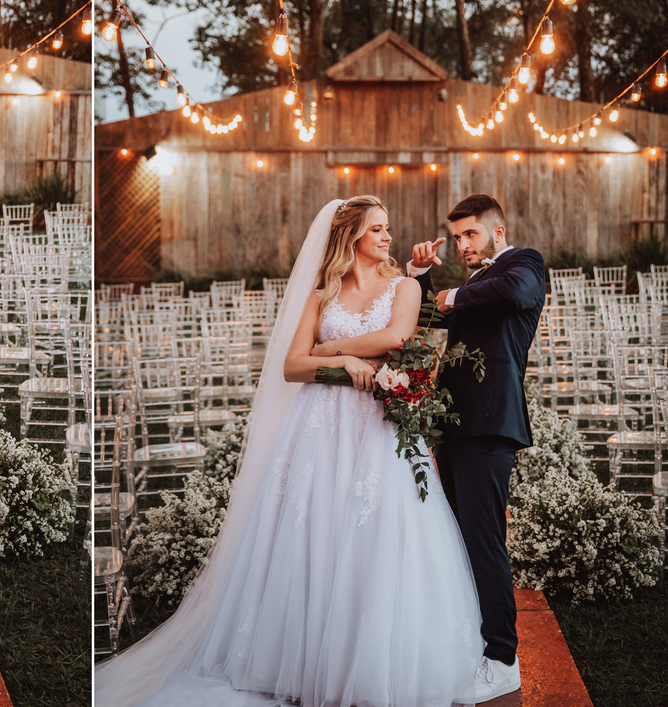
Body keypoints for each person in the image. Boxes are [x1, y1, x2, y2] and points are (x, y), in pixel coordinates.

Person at [95, 196, 483, 707]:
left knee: (378, 532)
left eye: (388, 228)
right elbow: (290, 367)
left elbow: (399, 335)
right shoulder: (320, 296)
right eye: (377, 230)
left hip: (377, 424)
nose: (388, 238)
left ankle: (368, 662)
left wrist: (329, 349)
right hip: (320, 425)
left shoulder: (406, 287)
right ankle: (301, 659)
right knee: (314, 533)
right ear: (350, 239)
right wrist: (342, 360)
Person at [408, 193, 546, 702]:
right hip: (453, 424)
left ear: (498, 230)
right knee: (458, 539)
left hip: (489, 424)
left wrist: (452, 297)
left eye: (472, 234)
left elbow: (511, 293)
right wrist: (424, 278)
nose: (464, 244)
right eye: (458, 236)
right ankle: (471, 642)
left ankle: (503, 658)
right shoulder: (472, 283)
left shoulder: (523, 265)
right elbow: (427, 318)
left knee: (485, 541)